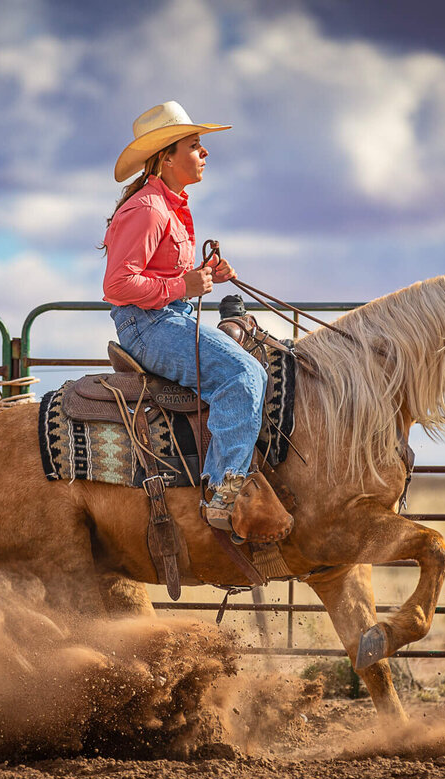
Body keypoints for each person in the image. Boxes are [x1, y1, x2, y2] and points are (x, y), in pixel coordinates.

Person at [102, 101, 268, 531]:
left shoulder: (168, 205)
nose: (205, 154)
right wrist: (185, 287)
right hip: (149, 326)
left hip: (166, 318)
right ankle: (221, 495)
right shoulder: (148, 210)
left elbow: (162, 273)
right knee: (243, 375)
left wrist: (205, 275)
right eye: (195, 146)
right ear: (167, 157)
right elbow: (118, 285)